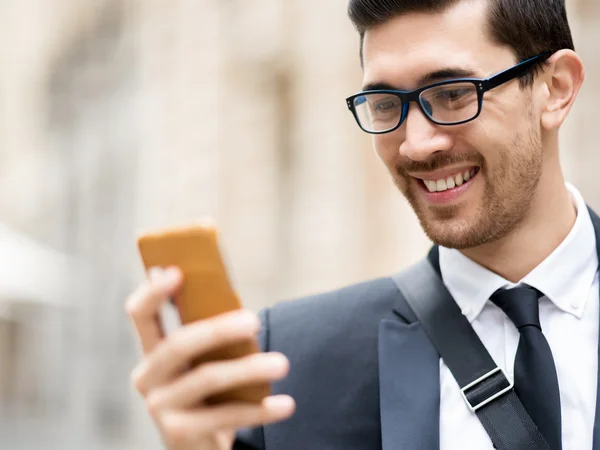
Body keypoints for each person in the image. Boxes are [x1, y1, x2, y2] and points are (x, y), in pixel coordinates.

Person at [125, 0, 597, 448]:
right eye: (386, 104)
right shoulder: (287, 363)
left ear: (555, 88)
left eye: (453, 94)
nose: (415, 144)